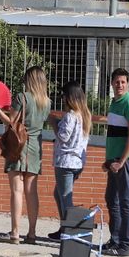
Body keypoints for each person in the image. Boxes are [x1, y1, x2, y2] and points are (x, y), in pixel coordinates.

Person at [5, 65, 51, 244]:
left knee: (17, 189)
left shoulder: (21, 97)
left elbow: (11, 122)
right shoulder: (47, 102)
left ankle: (15, 232)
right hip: (35, 147)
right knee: (32, 192)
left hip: (19, 145)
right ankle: (32, 233)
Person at [102, 68, 129, 256]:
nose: (120, 85)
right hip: (113, 160)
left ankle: (126, 244)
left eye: (123, 82)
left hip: (124, 160)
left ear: (128, 83)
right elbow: (113, 134)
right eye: (117, 82)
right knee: (112, 199)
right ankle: (115, 239)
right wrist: (108, 159)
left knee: (125, 200)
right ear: (111, 83)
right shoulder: (114, 102)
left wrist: (122, 160)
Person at [49, 81, 91, 239]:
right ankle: (64, 226)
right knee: (58, 193)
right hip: (77, 162)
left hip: (65, 162)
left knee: (66, 197)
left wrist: (54, 122)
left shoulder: (70, 116)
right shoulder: (84, 115)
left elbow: (63, 137)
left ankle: (70, 231)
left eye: (64, 97)